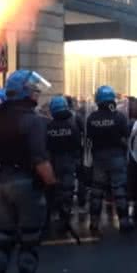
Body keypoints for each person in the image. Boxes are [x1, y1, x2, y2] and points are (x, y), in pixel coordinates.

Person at [0, 70, 55, 273]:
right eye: (33, 88)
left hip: (1, 183)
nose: (36, 92)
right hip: (27, 185)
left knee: (1, 238)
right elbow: (40, 159)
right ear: (23, 92)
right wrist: (52, 185)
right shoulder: (33, 121)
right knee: (29, 239)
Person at [86, 85, 131, 234]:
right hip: (116, 155)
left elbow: (89, 138)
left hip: (99, 157)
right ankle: (124, 222)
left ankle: (94, 223)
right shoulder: (119, 117)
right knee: (119, 190)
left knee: (97, 191)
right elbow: (126, 134)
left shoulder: (91, 118)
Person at [46, 96, 82, 236]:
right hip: (68, 161)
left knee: (53, 191)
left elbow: (45, 146)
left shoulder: (48, 126)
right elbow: (77, 144)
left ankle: (50, 219)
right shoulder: (71, 126)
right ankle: (64, 219)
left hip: (53, 162)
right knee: (67, 192)